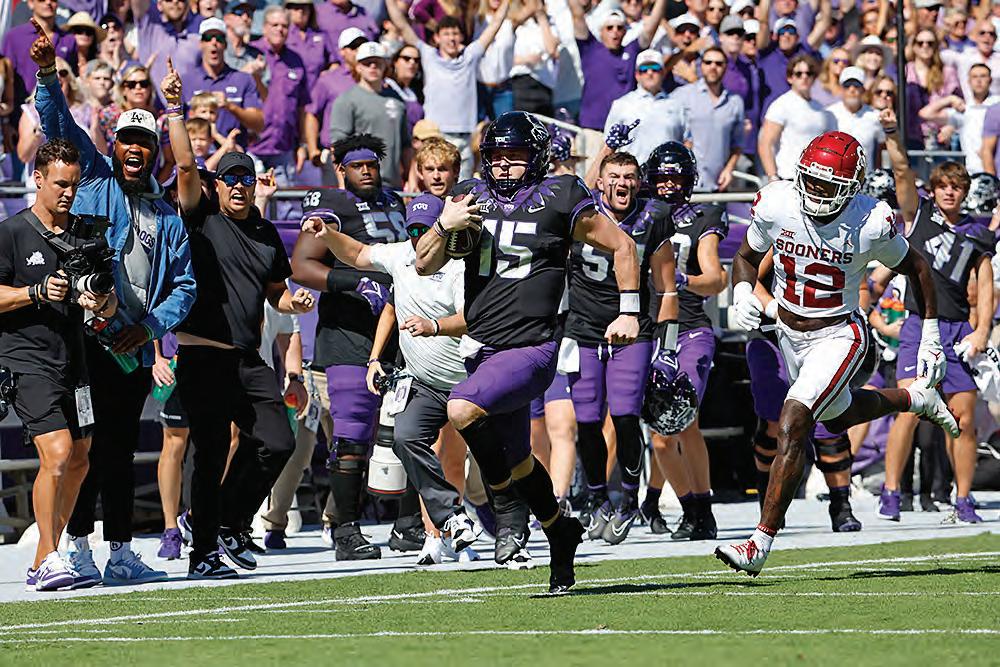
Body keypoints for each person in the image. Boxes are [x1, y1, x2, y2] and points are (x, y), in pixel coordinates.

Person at [414, 110, 642, 593]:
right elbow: (423, 263)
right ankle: (561, 531)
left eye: (514, 155)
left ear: (536, 156)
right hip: (482, 346)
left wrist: (628, 311)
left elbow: (623, 246)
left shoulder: (561, 194)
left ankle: (506, 506)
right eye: (496, 156)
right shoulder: (468, 194)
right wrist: (443, 224)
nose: (503, 165)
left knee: (461, 408)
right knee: (518, 459)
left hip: (534, 346)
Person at [715, 129, 959, 577]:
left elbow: (918, 267)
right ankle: (915, 398)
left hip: (839, 334)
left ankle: (759, 542)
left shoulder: (871, 220)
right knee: (838, 415)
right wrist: (743, 291)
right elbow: (747, 257)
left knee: (794, 419)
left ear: (851, 187)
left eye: (828, 185)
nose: (816, 191)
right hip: (788, 333)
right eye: (811, 180)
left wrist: (930, 333)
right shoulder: (778, 202)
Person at [33, 28, 196, 587]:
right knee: (84, 447)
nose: (134, 148)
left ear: (154, 152)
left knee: (121, 449)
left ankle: (122, 551)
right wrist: (48, 73)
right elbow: (57, 126)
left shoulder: (167, 215)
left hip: (130, 347)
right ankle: (78, 549)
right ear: (114, 143)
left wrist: (148, 329)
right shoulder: (95, 176)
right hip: (84, 342)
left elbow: (185, 287)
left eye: (144, 142)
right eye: (126, 138)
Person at [167, 61, 315, 578]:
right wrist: (175, 110)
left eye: (245, 179)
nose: (237, 186)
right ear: (218, 185)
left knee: (280, 440)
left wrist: (294, 304)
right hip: (204, 355)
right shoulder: (201, 218)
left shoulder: (267, 234)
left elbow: (276, 293)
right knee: (209, 452)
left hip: (247, 359)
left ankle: (230, 523)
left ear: (255, 185)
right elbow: (186, 168)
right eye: (229, 179)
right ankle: (203, 551)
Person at [301, 192, 484, 563]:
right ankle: (444, 525)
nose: (419, 238)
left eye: (426, 230)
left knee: (470, 458)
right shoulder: (401, 255)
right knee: (406, 439)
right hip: (424, 381)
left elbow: (473, 318)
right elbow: (357, 255)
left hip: (463, 379)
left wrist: (434, 326)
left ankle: (510, 524)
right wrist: (328, 234)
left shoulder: (460, 265)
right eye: (412, 230)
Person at [1, 139, 116, 591]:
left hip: (76, 360)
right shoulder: (11, 233)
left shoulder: (87, 234)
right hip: (27, 359)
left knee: (81, 460)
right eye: (60, 184)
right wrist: (34, 292)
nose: (68, 193)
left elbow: (108, 303)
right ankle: (49, 555)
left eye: (74, 184)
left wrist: (99, 301)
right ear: (38, 179)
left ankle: (44, 558)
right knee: (58, 452)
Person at [291, 134, 409, 560]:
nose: (366, 171)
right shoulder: (332, 203)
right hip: (349, 333)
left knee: (409, 431)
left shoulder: (396, 201)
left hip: (399, 333)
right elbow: (301, 265)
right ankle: (344, 528)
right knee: (352, 433)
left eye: (371, 164)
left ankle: (409, 525)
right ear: (340, 169)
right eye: (357, 165)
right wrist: (354, 283)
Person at [877, 108, 994, 525]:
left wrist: (982, 331)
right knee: (909, 409)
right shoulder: (919, 214)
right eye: (943, 186)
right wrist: (893, 132)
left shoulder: (977, 233)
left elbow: (986, 284)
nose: (949, 193)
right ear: (934, 189)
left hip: (958, 328)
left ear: (964, 193)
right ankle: (891, 491)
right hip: (918, 324)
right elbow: (902, 171)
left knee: (963, 418)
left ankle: (963, 498)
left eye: (956, 187)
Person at [566, 147, 677, 544]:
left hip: (634, 329)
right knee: (586, 420)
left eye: (629, 177)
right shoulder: (581, 214)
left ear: (639, 182)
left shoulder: (653, 217)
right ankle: (596, 498)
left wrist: (668, 349)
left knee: (626, 415)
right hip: (583, 327)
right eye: (614, 176)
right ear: (599, 181)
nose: (622, 184)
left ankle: (628, 499)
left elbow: (667, 288)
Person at [642, 142, 727, 540]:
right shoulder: (637, 216)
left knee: (677, 422)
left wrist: (683, 280)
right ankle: (689, 507)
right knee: (667, 435)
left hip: (690, 328)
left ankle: (698, 511)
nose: (668, 185)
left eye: (675, 178)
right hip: (649, 330)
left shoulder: (701, 218)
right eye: (661, 178)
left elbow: (715, 280)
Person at [385, 1, 511, 179]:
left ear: (461, 37)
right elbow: (401, 24)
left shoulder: (470, 56)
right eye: (446, 34)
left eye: (455, 33)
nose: (451, 38)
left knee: (463, 188)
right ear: (437, 38)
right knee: (436, 186)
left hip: (465, 138)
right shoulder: (428, 55)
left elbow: (495, 24)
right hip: (436, 136)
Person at [570, 0, 668, 151]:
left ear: (625, 32)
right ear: (601, 31)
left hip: (624, 133)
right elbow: (577, 15)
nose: (615, 31)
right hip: (593, 131)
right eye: (609, 28)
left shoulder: (632, 51)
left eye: (619, 28)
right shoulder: (590, 48)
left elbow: (651, 27)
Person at [330, 42, 411, 189]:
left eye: (377, 63)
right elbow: (338, 146)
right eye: (367, 63)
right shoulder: (346, 100)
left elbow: (406, 145)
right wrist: (342, 182)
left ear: (385, 66)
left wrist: (410, 179)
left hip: (392, 184)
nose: (373, 67)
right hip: (360, 184)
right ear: (358, 67)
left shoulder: (396, 99)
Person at [671, 45, 745, 191]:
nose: (713, 67)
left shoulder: (735, 102)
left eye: (718, 63)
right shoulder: (681, 96)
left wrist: (729, 169)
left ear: (726, 67)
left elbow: (738, 144)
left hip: (718, 184)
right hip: (685, 184)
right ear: (701, 65)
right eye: (708, 62)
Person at [182, 18, 264, 148]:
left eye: (219, 38)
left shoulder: (243, 79)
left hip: (233, 156)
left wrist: (230, 106)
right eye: (208, 38)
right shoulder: (187, 80)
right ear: (200, 44)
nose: (214, 42)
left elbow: (259, 124)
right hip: (196, 156)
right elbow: (174, 123)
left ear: (225, 44)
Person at [602, 49, 691, 166]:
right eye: (644, 69)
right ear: (636, 75)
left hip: (668, 173)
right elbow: (608, 145)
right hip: (632, 173)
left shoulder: (677, 105)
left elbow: (687, 142)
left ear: (663, 73)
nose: (650, 73)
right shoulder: (621, 104)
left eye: (655, 68)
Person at [759, 54, 835, 182]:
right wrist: (772, 176)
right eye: (799, 74)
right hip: (788, 177)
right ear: (790, 78)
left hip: (816, 178)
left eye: (809, 73)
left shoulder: (821, 109)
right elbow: (765, 143)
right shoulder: (781, 105)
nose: (804, 77)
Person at [919, 64, 999, 175]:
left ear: (990, 80)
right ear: (968, 81)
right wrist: (949, 99)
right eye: (974, 77)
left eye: (983, 76)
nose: (979, 80)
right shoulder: (964, 110)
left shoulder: (997, 105)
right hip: (972, 173)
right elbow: (925, 114)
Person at [827, 66, 884, 169]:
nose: (852, 89)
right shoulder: (829, 114)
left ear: (863, 89)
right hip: (834, 175)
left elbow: (881, 149)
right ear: (841, 89)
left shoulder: (875, 116)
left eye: (856, 85)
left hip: (865, 177)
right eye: (847, 85)